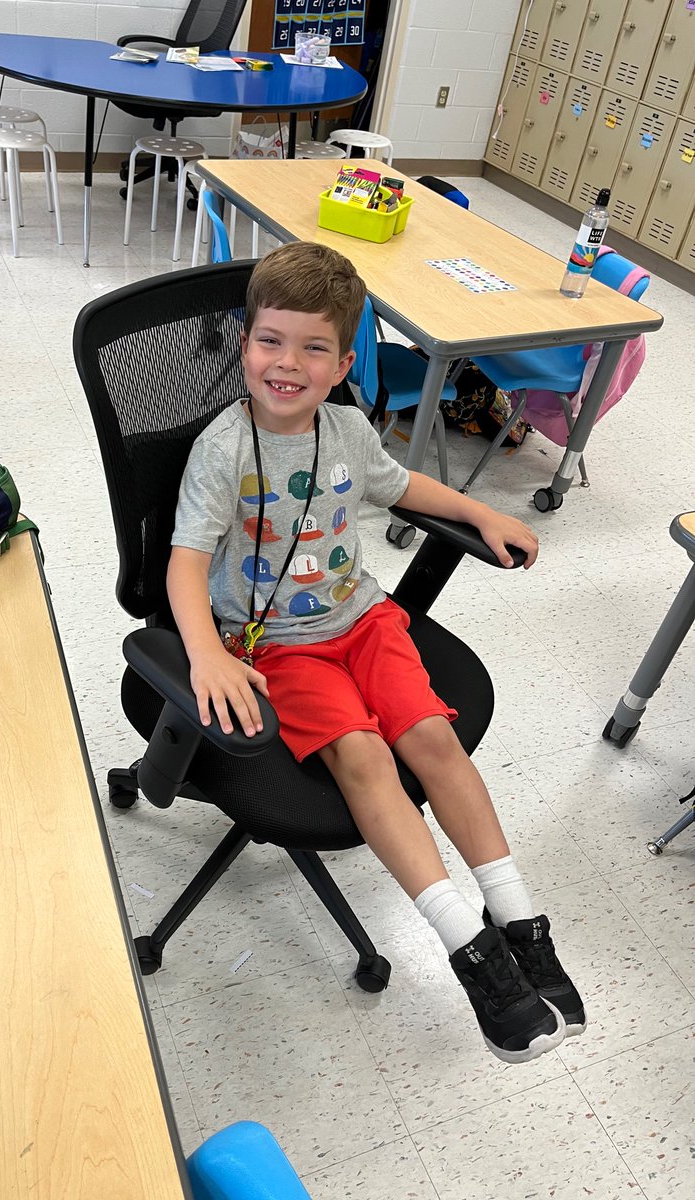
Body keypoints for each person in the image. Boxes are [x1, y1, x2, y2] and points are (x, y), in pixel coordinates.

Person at [167, 242, 585, 1063]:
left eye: (313, 348)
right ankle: (471, 949)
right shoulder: (224, 449)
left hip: (365, 620)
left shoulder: (349, 428)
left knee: (430, 737)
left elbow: (399, 486)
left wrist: (481, 512)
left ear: (343, 362)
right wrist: (206, 655)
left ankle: (519, 918)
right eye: (271, 342)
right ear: (244, 342)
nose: (288, 364)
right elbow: (185, 562)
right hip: (278, 648)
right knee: (364, 756)